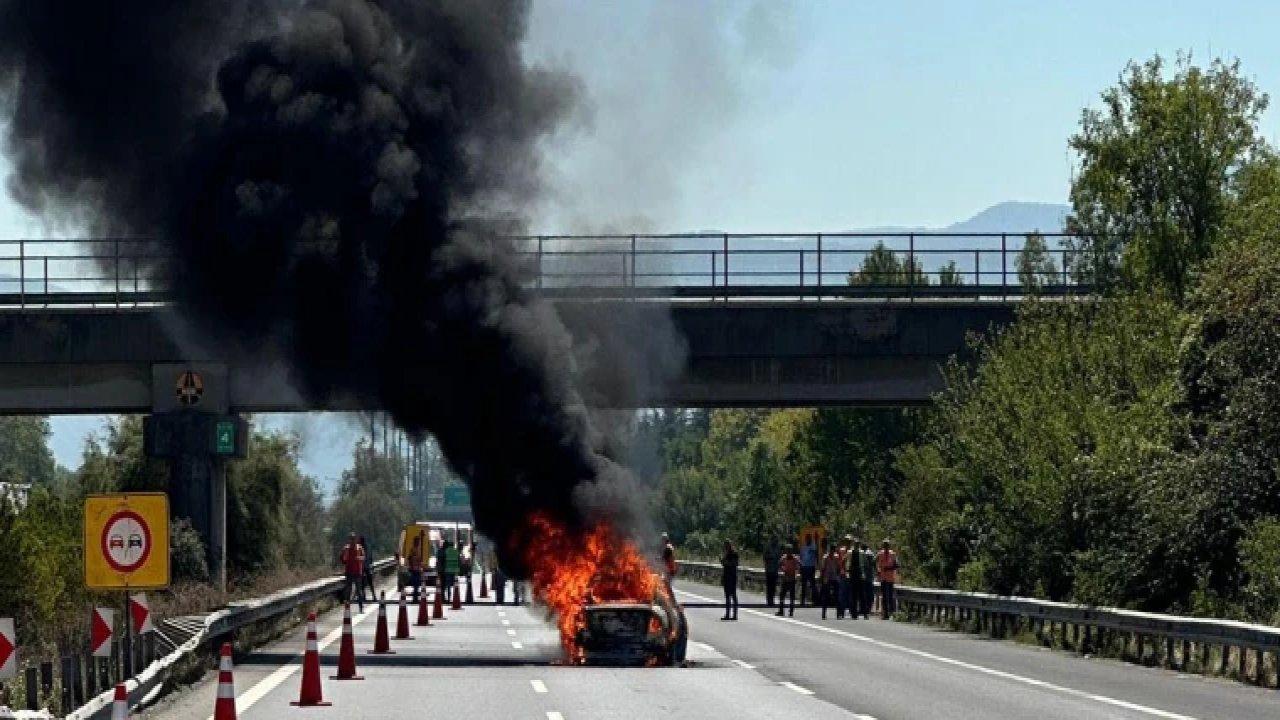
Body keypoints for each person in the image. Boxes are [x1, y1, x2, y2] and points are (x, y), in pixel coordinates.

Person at [340, 533, 365, 612]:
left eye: (353, 538)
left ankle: (361, 607)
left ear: (356, 539)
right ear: (349, 539)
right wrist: (344, 560)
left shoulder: (359, 548)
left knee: (359, 590)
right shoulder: (346, 548)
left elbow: (364, 557)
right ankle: (347, 607)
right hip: (349, 572)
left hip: (357, 572)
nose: (352, 540)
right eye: (351, 539)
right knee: (348, 590)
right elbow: (341, 557)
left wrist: (359, 558)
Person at [877, 539, 900, 619]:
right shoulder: (880, 554)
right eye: (885, 544)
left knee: (890, 596)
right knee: (884, 596)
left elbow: (897, 565)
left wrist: (889, 568)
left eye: (887, 544)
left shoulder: (892, 554)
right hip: (883, 578)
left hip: (890, 578)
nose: (886, 546)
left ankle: (891, 613)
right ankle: (885, 613)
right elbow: (877, 564)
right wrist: (878, 571)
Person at [819, 545, 842, 620]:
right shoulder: (825, 557)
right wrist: (821, 578)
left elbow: (838, 567)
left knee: (837, 595)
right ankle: (823, 613)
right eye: (831, 550)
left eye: (833, 550)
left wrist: (838, 576)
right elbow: (822, 568)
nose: (832, 551)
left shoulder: (836, 557)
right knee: (825, 596)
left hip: (834, 577)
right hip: (827, 577)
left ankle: (838, 614)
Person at [776, 545, 799, 617]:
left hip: (792, 578)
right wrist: (783, 569)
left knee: (792, 596)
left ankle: (791, 611)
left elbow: (799, 566)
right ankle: (781, 610)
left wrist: (796, 572)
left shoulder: (795, 558)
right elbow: (779, 564)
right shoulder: (784, 558)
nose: (789, 552)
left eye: (790, 551)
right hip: (785, 578)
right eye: (787, 550)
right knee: (782, 595)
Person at [720, 540, 739, 621]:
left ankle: (734, 615)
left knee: (733, 596)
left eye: (726, 545)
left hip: (732, 576)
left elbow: (734, 563)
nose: (725, 547)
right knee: (728, 596)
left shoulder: (734, 554)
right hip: (727, 576)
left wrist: (725, 562)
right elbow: (725, 564)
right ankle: (728, 614)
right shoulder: (726, 554)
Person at [845, 536, 863, 619]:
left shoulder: (861, 553)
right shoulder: (850, 552)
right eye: (855, 544)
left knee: (858, 594)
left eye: (858, 544)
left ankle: (856, 611)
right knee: (853, 594)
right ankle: (853, 611)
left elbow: (862, 564)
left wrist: (863, 574)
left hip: (858, 574)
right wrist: (847, 572)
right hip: (852, 574)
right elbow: (847, 562)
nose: (856, 545)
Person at [799, 534, 818, 605]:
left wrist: (814, 541)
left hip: (811, 567)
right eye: (807, 538)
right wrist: (800, 567)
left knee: (812, 584)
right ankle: (802, 601)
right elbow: (801, 558)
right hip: (804, 567)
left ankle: (815, 600)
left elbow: (816, 553)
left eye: (809, 538)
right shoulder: (803, 548)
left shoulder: (813, 547)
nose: (808, 540)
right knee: (803, 584)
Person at [859, 541, 876, 619]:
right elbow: (873, 564)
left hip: (865, 577)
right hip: (869, 577)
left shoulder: (863, 554)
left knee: (864, 594)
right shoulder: (871, 554)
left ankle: (864, 609)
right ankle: (867, 609)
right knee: (869, 594)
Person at [407, 535, 424, 603]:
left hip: (418, 569)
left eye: (418, 541)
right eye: (417, 541)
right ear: (415, 542)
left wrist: (420, 565)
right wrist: (411, 567)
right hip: (414, 569)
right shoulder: (413, 549)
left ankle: (416, 598)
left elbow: (419, 560)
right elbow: (409, 558)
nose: (418, 542)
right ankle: (415, 599)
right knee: (415, 584)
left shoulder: (418, 549)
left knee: (417, 584)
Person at [763, 539, 780, 607]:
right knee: (769, 586)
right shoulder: (768, 548)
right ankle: (769, 600)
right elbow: (764, 557)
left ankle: (772, 600)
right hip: (769, 569)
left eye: (776, 541)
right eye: (774, 541)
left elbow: (779, 557)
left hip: (775, 570)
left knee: (773, 586)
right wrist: (770, 558)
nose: (775, 542)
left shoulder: (777, 549)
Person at [358, 535, 375, 602]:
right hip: (368, 567)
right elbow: (371, 557)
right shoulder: (368, 547)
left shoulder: (360, 548)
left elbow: (359, 557)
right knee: (370, 582)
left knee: (362, 582)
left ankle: (364, 596)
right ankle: (374, 596)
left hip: (362, 567)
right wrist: (371, 565)